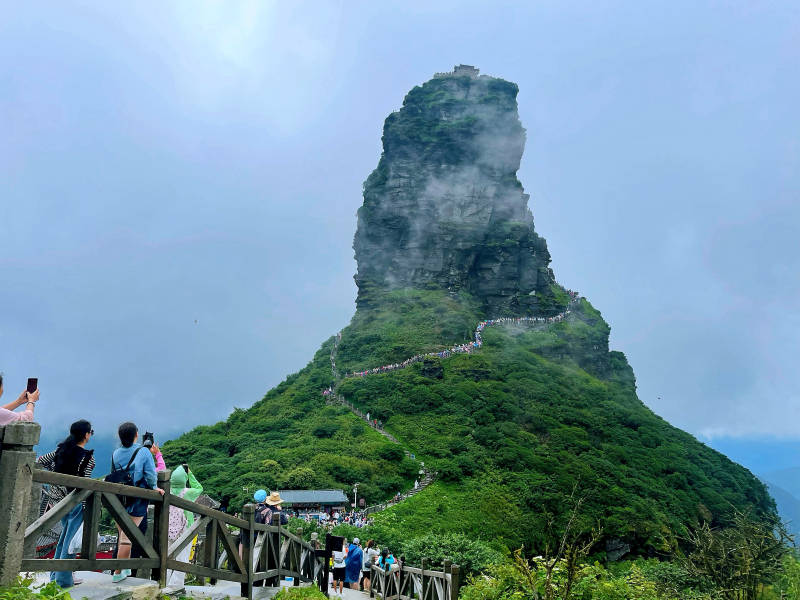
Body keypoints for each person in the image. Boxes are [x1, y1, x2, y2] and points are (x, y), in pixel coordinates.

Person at [36, 420, 94, 588]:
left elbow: (40, 461)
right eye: (91, 432)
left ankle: (57, 576)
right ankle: (62, 580)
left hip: (58, 502)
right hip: (76, 503)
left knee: (63, 539)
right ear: (86, 434)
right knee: (69, 542)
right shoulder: (88, 457)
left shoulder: (60, 450)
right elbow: (86, 484)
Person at [111, 422, 164, 583]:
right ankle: (117, 573)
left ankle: (124, 567)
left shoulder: (115, 453)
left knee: (122, 534)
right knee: (127, 537)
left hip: (118, 497)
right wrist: (155, 487)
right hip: (137, 498)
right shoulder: (143, 451)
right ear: (136, 435)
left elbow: (114, 473)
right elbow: (150, 474)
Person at [166, 465, 203, 588]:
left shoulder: (167, 490)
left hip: (167, 526)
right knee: (182, 556)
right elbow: (199, 488)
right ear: (184, 479)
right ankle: (176, 585)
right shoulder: (188, 492)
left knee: (166, 555)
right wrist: (190, 474)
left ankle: (163, 582)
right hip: (185, 528)